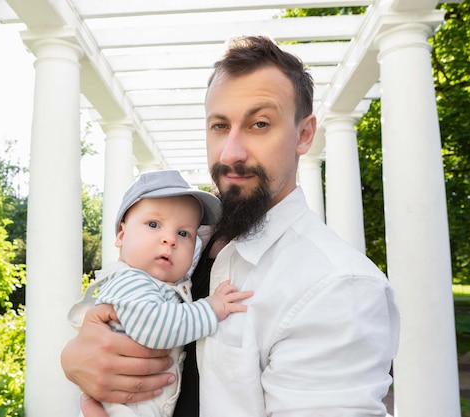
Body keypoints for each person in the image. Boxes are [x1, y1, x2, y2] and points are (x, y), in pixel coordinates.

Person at [62, 35, 400, 417]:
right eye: (220, 126)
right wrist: (75, 356)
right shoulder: (189, 241)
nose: (232, 153)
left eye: (259, 123)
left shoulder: (339, 287)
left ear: (304, 134)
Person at [68, 169, 253, 417]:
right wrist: (212, 308)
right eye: (153, 224)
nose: (170, 239)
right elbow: (158, 329)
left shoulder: (160, 282)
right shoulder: (130, 281)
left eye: (184, 233)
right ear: (121, 234)